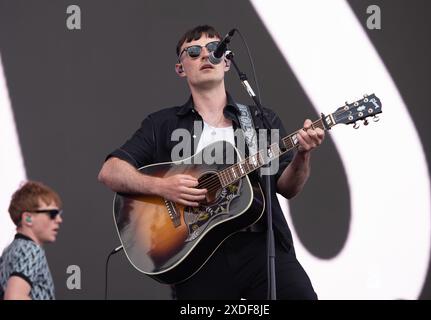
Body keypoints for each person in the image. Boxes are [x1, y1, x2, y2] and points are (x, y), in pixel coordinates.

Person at [98, 25, 324, 299]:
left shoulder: (260, 120)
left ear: (227, 62)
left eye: (215, 51)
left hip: (261, 247)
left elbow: (288, 187)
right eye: (193, 52)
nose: (206, 56)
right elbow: (111, 172)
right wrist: (164, 188)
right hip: (198, 257)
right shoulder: (162, 124)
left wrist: (303, 154)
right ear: (180, 68)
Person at [0, 181, 63, 300]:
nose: (59, 219)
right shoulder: (31, 250)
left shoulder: (9, 251)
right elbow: (14, 297)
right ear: (28, 218)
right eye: (52, 214)